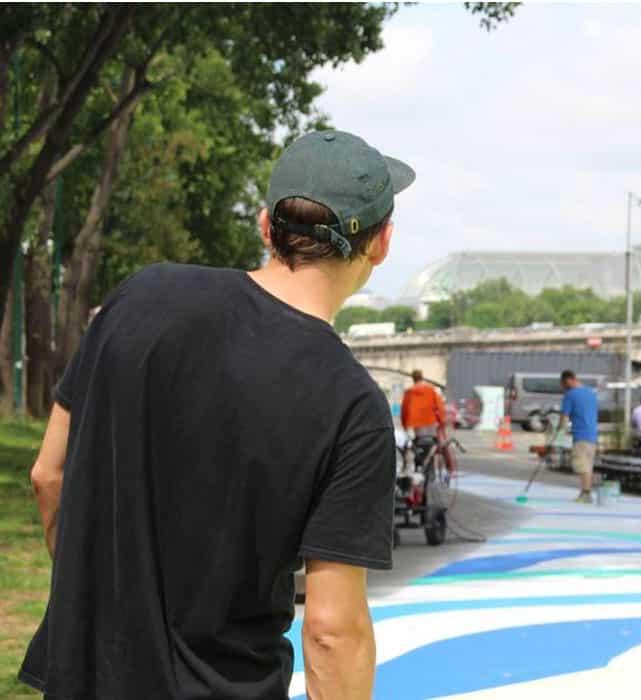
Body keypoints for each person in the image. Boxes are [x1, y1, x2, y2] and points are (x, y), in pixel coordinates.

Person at [22, 130, 413, 699]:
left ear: (264, 226)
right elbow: (331, 631)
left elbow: (47, 476)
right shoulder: (353, 406)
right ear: (381, 244)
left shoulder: (140, 298)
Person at [556, 370, 600, 504]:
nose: (563, 387)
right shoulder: (591, 393)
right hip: (592, 434)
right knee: (588, 464)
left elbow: (564, 417)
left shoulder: (570, 395)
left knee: (582, 465)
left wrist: (559, 430)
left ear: (568, 380)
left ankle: (586, 494)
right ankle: (586, 491)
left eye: (563, 384)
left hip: (581, 434)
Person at [401, 368, 446, 438]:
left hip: (416, 423)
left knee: (420, 442)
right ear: (422, 377)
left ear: (413, 378)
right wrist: (441, 421)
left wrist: (404, 426)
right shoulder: (431, 390)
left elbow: (404, 411)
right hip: (431, 421)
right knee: (432, 442)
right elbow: (439, 407)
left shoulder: (409, 392)